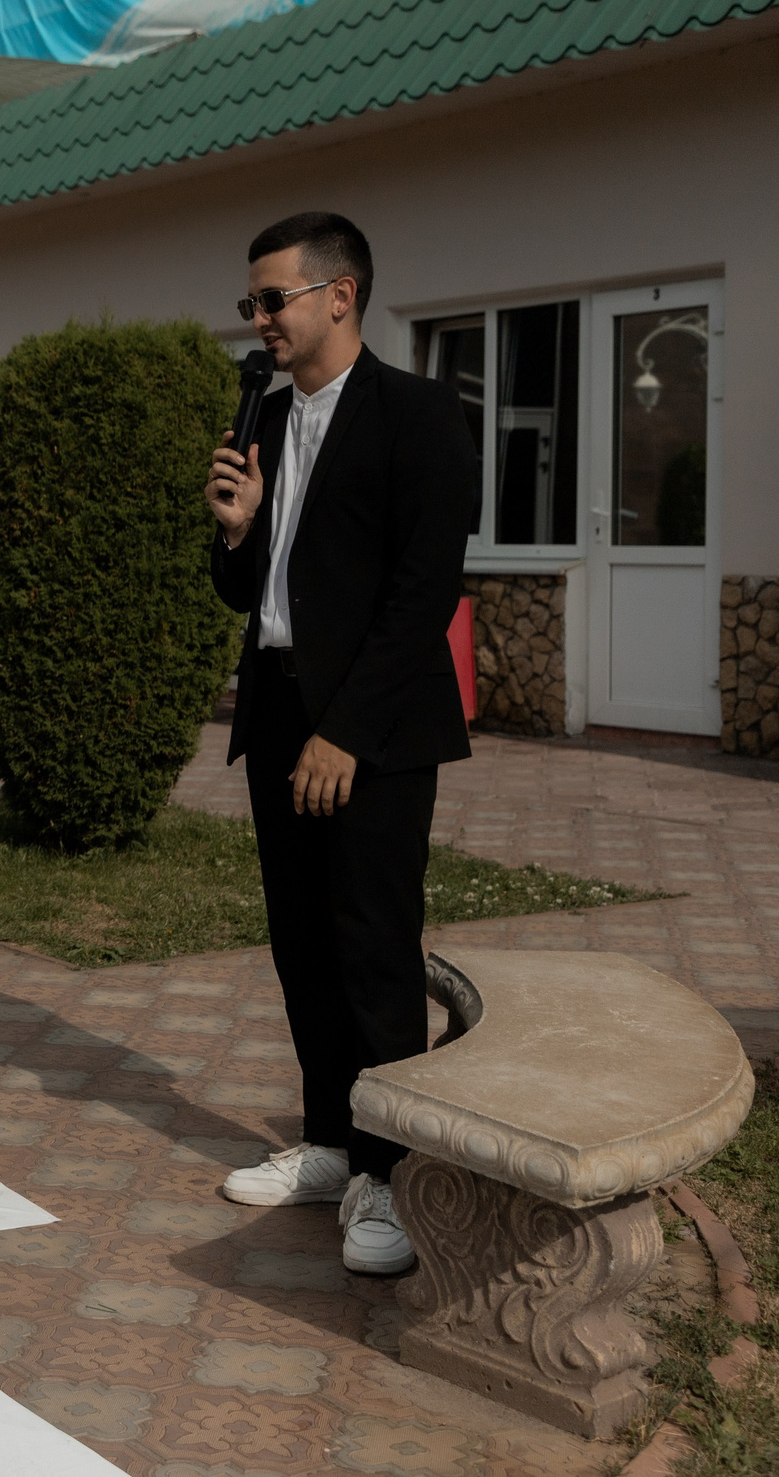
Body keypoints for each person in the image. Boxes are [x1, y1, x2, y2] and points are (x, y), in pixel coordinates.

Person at [202, 211, 476, 1276]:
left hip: (370, 732)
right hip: (274, 711)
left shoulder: (418, 418)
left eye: (273, 299)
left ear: (339, 295)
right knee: (301, 945)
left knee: (370, 953)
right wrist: (235, 529)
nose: (260, 319)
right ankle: (330, 1141)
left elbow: (421, 599)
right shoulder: (262, 417)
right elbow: (246, 589)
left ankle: (392, 1178)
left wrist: (345, 733)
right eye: (252, 303)